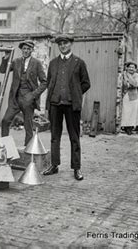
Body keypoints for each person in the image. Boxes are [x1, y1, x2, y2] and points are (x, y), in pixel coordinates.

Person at [42, 35, 90, 181]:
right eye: (60, 44)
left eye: (66, 43)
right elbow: (49, 83)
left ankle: (76, 168)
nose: (63, 46)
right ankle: (54, 165)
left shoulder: (79, 62)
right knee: (54, 136)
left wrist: (75, 93)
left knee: (74, 137)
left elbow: (86, 83)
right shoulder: (53, 63)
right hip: (55, 104)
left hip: (71, 105)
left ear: (71, 44)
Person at [0, 40, 47, 146]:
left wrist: (33, 95)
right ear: (21, 50)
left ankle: (28, 151)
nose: (26, 51)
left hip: (28, 99)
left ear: (32, 50)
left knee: (28, 126)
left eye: (28, 49)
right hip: (15, 98)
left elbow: (44, 82)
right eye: (24, 49)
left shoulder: (37, 63)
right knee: (5, 120)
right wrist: (6, 57)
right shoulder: (15, 61)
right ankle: (5, 147)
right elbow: (3, 70)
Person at [120, 62, 138, 135]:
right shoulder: (123, 74)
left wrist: (128, 77)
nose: (131, 69)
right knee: (125, 111)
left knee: (132, 111)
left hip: (133, 95)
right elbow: (122, 83)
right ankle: (124, 126)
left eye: (133, 67)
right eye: (130, 67)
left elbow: (135, 84)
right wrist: (128, 83)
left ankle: (130, 128)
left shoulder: (136, 75)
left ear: (135, 69)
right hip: (125, 94)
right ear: (126, 67)